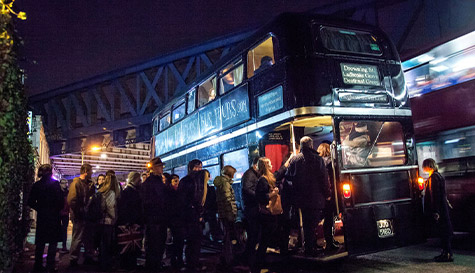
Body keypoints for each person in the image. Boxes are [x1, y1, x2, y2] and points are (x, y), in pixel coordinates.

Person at [285, 136, 330, 256]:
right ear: (311, 145)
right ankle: (310, 248)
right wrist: (327, 194)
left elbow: (288, 177)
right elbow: (323, 179)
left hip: (301, 198)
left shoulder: (295, 160)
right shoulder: (317, 159)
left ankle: (309, 246)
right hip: (316, 197)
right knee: (313, 223)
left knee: (306, 223)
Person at [28, 164, 64, 272]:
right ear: (50, 172)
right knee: (53, 242)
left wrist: (40, 208)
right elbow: (61, 201)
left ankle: (38, 266)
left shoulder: (37, 185)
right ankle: (50, 266)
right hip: (54, 217)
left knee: (40, 243)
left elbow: (30, 201)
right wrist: (56, 209)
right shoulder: (55, 185)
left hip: (43, 217)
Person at [422, 158, 454, 262]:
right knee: (445, 231)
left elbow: (434, 195)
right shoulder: (440, 176)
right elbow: (443, 194)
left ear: (428, 166)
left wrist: (435, 211)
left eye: (424, 166)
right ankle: (446, 253)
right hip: (443, 207)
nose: (423, 168)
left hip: (439, 209)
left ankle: (447, 254)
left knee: (443, 232)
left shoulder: (433, 178)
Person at [252, 157, 280, 273]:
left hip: (268, 214)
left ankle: (260, 265)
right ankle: (257, 266)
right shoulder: (263, 180)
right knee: (264, 241)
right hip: (266, 214)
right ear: (265, 167)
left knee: (266, 239)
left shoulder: (266, 179)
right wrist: (273, 193)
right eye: (269, 164)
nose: (272, 165)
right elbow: (261, 198)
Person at [141, 156, 167, 271]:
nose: (162, 169)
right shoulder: (152, 183)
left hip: (156, 219)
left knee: (155, 243)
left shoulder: (152, 182)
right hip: (155, 219)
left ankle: (154, 264)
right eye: (160, 166)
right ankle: (153, 266)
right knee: (155, 244)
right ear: (155, 168)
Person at [179, 168, 209, 271]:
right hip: (193, 217)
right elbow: (195, 201)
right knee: (194, 242)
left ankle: (191, 263)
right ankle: (192, 264)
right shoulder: (196, 186)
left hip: (190, 216)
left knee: (193, 242)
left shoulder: (188, 182)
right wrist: (199, 213)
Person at [68, 163, 96, 267]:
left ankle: (86, 257)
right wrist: (79, 211)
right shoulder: (76, 184)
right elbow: (72, 200)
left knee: (87, 237)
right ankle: (73, 259)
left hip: (87, 215)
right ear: (85, 171)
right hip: (80, 215)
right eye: (90, 171)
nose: (92, 173)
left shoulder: (89, 184)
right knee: (78, 238)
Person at [116, 171, 144, 270]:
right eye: (139, 179)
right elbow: (129, 208)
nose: (140, 181)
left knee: (130, 245)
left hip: (130, 222)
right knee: (130, 245)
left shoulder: (127, 191)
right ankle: (129, 264)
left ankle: (128, 264)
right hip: (131, 223)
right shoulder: (130, 192)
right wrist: (131, 222)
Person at [317, 142, 340, 252]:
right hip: (330, 194)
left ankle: (329, 240)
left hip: (321, 195)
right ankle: (330, 241)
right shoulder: (330, 161)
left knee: (327, 218)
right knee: (329, 218)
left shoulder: (318, 161)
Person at [214, 165, 239, 267]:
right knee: (229, 237)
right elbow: (228, 200)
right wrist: (232, 214)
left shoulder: (222, 183)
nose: (234, 176)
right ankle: (228, 260)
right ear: (230, 173)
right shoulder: (225, 184)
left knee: (227, 237)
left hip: (223, 213)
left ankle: (225, 258)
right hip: (227, 214)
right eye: (233, 173)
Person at [97, 173, 120, 271]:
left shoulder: (102, 191)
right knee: (107, 244)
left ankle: (101, 262)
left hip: (100, 221)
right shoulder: (111, 193)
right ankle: (106, 265)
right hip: (108, 221)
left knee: (102, 244)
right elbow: (110, 208)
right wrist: (115, 218)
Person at [163, 174, 186, 269]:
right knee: (174, 241)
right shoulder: (169, 193)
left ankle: (178, 259)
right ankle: (174, 260)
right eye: (175, 181)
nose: (177, 183)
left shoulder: (179, 192)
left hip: (178, 220)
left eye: (178, 180)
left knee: (179, 241)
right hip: (173, 221)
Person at [241, 156, 260, 265]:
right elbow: (247, 189)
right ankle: (248, 257)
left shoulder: (253, 174)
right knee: (253, 233)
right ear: (255, 165)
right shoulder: (249, 175)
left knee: (254, 233)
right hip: (250, 208)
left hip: (252, 207)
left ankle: (249, 255)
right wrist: (260, 195)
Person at [59, 179, 70, 253]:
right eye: (63, 183)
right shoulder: (58, 192)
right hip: (59, 213)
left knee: (64, 229)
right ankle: (56, 245)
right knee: (57, 228)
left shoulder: (68, 192)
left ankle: (64, 245)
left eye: (65, 183)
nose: (64, 184)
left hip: (65, 213)